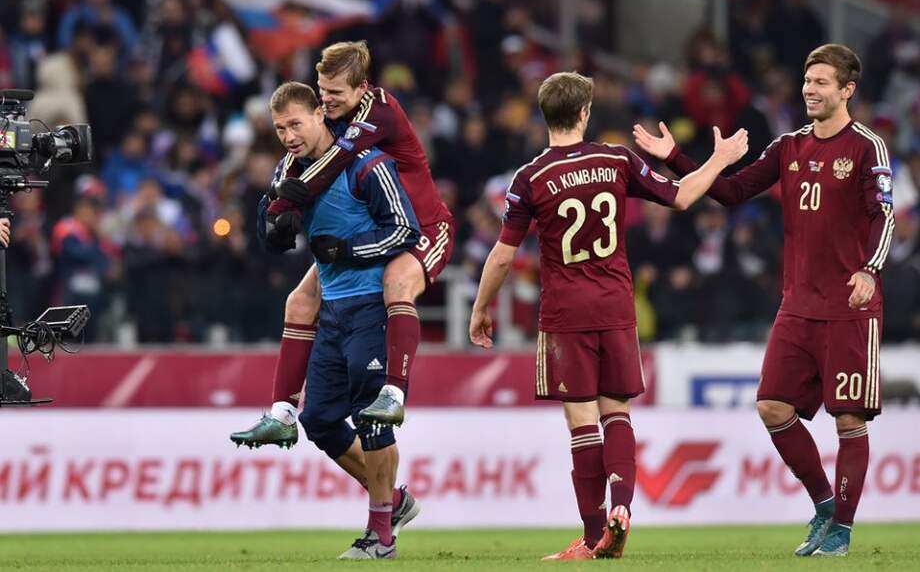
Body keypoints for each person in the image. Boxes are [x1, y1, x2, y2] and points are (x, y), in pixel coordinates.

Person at [469, 71, 749, 560]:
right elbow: (682, 196)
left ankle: (593, 533)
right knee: (616, 412)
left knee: (582, 423)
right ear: (585, 113)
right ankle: (622, 507)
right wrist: (719, 160)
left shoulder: (530, 178)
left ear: (544, 115)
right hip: (617, 305)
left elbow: (502, 257)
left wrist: (481, 307)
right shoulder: (616, 159)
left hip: (566, 312)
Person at [634, 43, 893, 557]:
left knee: (849, 419)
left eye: (821, 82)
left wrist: (870, 269)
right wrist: (679, 159)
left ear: (847, 90)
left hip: (850, 307)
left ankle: (841, 530)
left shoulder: (867, 147)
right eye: (807, 80)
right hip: (797, 305)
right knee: (772, 406)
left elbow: (884, 215)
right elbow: (730, 192)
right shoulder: (788, 146)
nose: (809, 89)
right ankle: (824, 505)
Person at [230, 41, 453, 447]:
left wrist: (290, 195)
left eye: (335, 92)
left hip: (422, 228)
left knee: (397, 282)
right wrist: (276, 213)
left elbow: (338, 158)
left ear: (361, 88)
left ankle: (394, 392)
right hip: (373, 230)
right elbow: (302, 163)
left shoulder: (378, 110)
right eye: (322, 90)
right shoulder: (328, 120)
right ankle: (282, 413)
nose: (327, 99)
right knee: (300, 301)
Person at [256, 81, 422, 558]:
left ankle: (381, 536)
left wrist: (348, 250)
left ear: (319, 114)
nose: (288, 136)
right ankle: (395, 502)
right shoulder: (289, 171)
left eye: (295, 124)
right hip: (331, 310)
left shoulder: (368, 164)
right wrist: (273, 229)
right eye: (279, 128)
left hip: (372, 305)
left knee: (373, 418)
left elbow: (405, 230)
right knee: (320, 420)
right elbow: (269, 232)